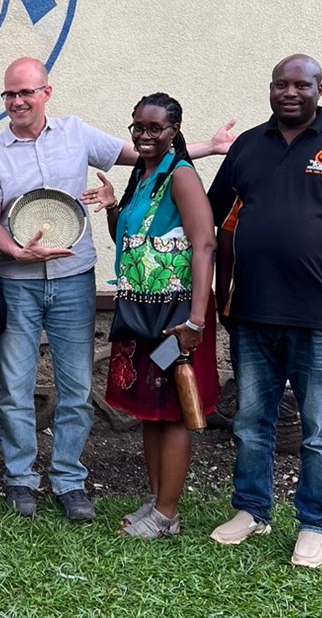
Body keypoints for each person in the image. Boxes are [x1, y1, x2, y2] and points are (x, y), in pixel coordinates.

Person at [0, 57, 234, 522]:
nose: (17, 102)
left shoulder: (78, 134)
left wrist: (209, 147)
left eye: (27, 93)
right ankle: (20, 480)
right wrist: (16, 253)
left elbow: (146, 152)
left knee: (76, 388)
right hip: (15, 283)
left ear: (46, 93)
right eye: (10, 95)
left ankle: (69, 480)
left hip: (75, 280)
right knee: (15, 388)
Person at [207, 54, 322, 569]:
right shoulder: (248, 147)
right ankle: (251, 510)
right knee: (250, 422)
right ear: (270, 90)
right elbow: (219, 223)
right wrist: (224, 292)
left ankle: (314, 524)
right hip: (252, 314)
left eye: (300, 84)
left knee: (319, 429)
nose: (289, 92)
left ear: (319, 88)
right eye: (280, 84)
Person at [92, 93, 219, 538]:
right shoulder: (143, 177)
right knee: (150, 409)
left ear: (174, 132)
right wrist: (112, 206)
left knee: (174, 410)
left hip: (175, 316)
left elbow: (205, 245)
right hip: (141, 313)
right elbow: (127, 238)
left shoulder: (180, 175)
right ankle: (156, 499)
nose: (145, 137)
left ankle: (167, 514)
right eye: (138, 129)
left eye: (155, 129)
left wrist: (197, 322)